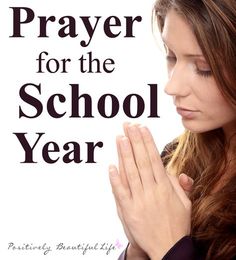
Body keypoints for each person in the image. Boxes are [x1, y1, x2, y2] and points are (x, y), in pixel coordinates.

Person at [108, 0, 236, 259]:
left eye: (204, 68)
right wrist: (138, 249)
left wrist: (169, 247)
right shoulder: (176, 155)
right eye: (171, 56)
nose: (171, 87)